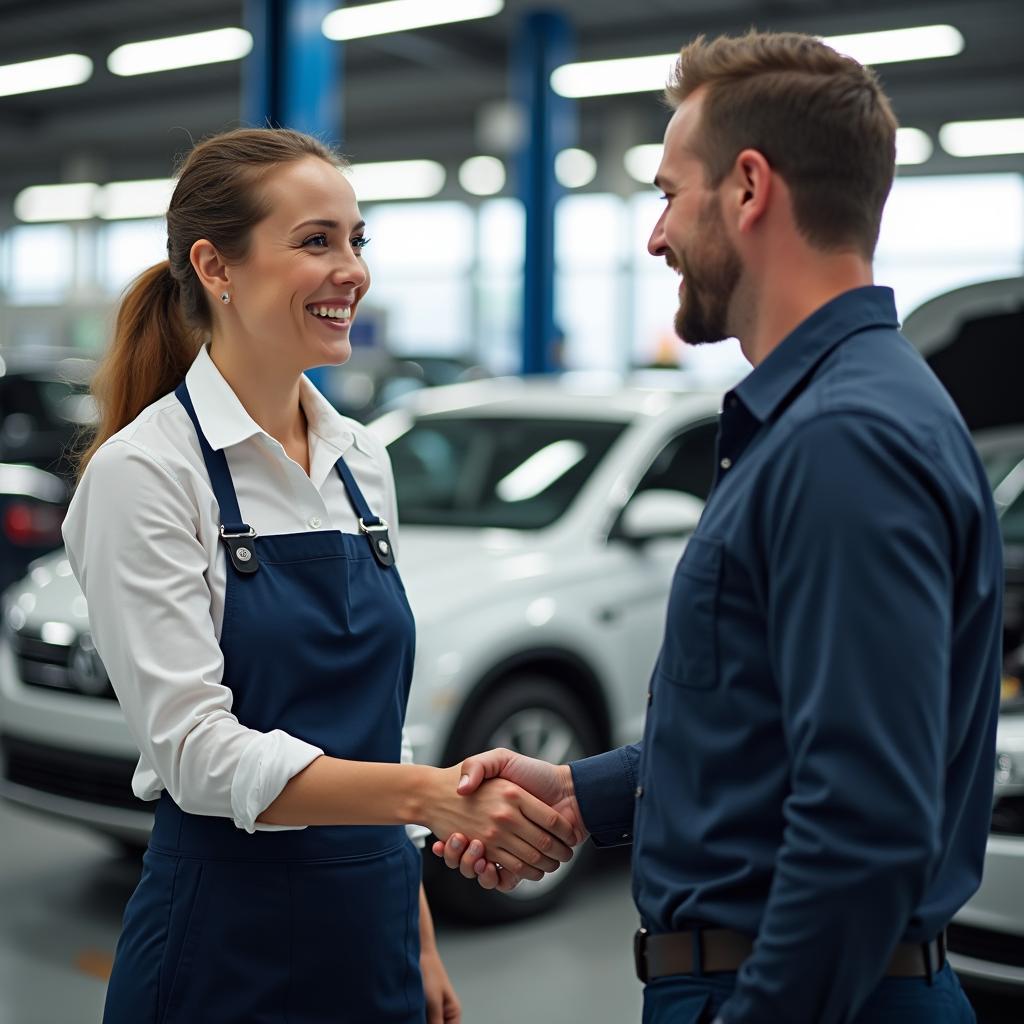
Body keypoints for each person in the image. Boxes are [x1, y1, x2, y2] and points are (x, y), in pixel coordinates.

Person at [435, 30, 1003, 1024]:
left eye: (666, 192)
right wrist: (584, 790)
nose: (654, 237)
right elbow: (773, 729)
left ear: (747, 188)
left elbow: (862, 821)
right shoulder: (818, 420)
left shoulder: (844, 441)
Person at [62, 127, 577, 1024]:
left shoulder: (361, 461)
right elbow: (195, 753)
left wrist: (415, 938)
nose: (352, 270)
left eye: (356, 241)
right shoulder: (146, 474)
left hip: (373, 934)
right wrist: (436, 797)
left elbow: (371, 731)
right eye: (315, 241)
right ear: (215, 266)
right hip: (227, 947)